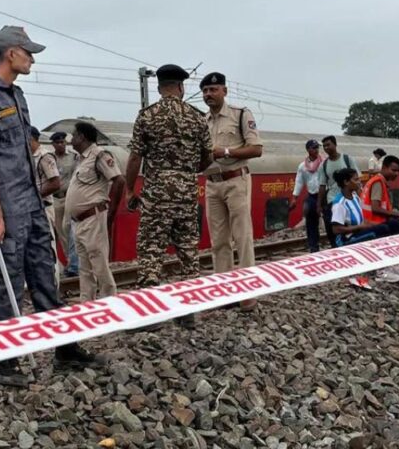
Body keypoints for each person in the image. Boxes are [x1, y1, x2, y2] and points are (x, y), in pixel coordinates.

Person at [0, 25, 101, 386]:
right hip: (7, 208)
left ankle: (64, 347)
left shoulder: (18, 96)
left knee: (46, 278)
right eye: (28, 52)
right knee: (8, 284)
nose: (32, 58)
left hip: (31, 202)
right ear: (11, 53)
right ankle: (7, 363)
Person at [125, 64, 212, 328]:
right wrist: (186, 173)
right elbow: (208, 157)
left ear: (160, 86)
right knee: (188, 250)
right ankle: (188, 312)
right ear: (181, 87)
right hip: (187, 192)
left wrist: (130, 189)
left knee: (152, 249)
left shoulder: (147, 116)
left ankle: (151, 313)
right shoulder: (197, 117)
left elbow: (135, 157)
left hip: (157, 193)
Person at [0, 127, 62, 320]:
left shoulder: (42, 157)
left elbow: (55, 182)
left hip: (36, 209)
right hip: (4, 214)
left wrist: (32, 198)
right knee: (3, 267)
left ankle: (51, 296)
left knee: (44, 259)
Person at [201, 72, 263, 310]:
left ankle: (248, 293)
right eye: (205, 91)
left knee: (242, 237)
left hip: (236, 180)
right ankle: (225, 293)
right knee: (218, 241)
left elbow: (256, 149)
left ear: (224, 91)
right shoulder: (203, 121)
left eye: (213, 90)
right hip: (212, 183)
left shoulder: (240, 115)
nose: (208, 95)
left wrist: (225, 152)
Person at [65, 121, 125, 301]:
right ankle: (87, 303)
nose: (71, 139)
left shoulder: (99, 155)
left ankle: (110, 300)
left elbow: (119, 180)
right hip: (80, 221)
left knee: (99, 264)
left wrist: (111, 214)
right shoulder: (82, 159)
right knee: (85, 267)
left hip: (93, 217)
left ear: (82, 137)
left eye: (73, 135)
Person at [317, 135, 358, 248]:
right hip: (332, 200)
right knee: (334, 229)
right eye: (324, 146)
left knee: (349, 228)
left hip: (349, 199)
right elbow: (322, 185)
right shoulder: (324, 165)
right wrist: (319, 204)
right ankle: (335, 248)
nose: (326, 148)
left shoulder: (347, 159)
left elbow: (356, 179)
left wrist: (361, 197)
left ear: (335, 145)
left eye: (328, 145)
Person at [50, 131, 79, 277]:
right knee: (60, 231)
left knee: (69, 229)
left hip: (68, 197)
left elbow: (76, 176)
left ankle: (73, 262)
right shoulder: (50, 158)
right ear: (53, 144)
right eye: (58, 142)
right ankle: (69, 260)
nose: (61, 144)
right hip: (55, 198)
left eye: (63, 142)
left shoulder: (73, 157)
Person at [288, 140, 324, 253]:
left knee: (329, 221)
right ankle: (314, 247)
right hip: (312, 196)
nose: (317, 150)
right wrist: (294, 198)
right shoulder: (302, 166)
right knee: (311, 222)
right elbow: (299, 182)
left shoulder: (324, 163)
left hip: (324, 196)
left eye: (317, 147)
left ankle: (334, 244)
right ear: (308, 150)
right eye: (314, 148)